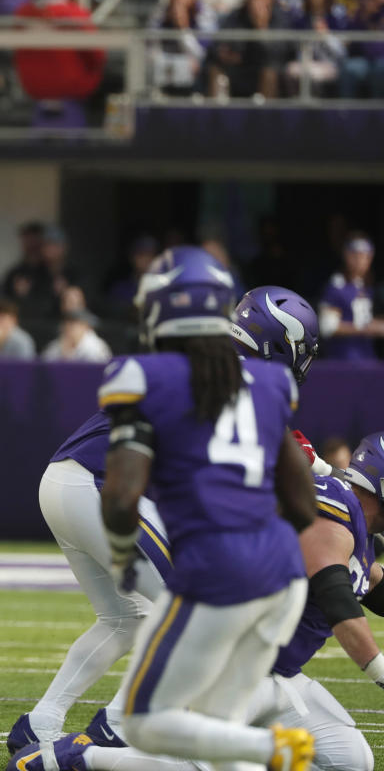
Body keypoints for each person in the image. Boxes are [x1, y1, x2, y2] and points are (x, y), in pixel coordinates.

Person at [8, 280, 323, 768]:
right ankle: (111, 729)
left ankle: (40, 723)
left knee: (126, 618)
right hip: (96, 484)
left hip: (64, 480)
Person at [21, 431, 384, 771]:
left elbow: (370, 582)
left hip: (281, 677)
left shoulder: (358, 533)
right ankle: (77, 757)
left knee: (353, 761)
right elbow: (338, 602)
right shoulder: (335, 511)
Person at [97, 248, 317, 770]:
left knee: (141, 722)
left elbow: (122, 496)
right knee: (217, 729)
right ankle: (259, 740)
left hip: (218, 570)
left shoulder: (141, 375)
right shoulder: (271, 383)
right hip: (283, 573)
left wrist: (124, 555)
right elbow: (304, 503)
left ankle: (276, 749)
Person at [207, 0, 291, 99]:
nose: (256, 1)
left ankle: (266, 116)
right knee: (216, 70)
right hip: (241, 67)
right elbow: (218, 45)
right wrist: (227, 53)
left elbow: (281, 52)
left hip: (267, 70)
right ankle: (218, 114)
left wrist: (262, 28)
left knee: (270, 71)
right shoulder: (237, 15)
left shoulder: (280, 17)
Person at [318, 235, 384, 359]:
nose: (361, 261)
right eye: (356, 255)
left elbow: (362, 318)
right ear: (346, 256)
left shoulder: (365, 285)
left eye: (366, 256)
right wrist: (367, 329)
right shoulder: (336, 287)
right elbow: (328, 327)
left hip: (367, 356)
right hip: (343, 359)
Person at [41, 308, 112, 362]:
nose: (69, 327)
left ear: (85, 326)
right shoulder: (57, 344)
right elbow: (44, 365)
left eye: (74, 324)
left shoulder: (97, 346)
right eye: (67, 323)